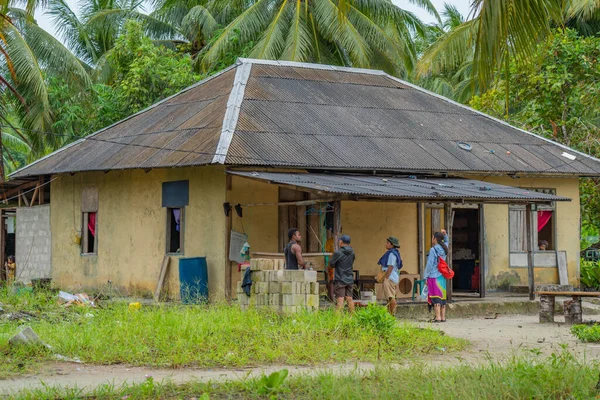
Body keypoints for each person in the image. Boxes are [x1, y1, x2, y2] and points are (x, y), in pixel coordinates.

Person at [424, 230, 449, 323]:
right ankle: (443, 317)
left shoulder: (433, 249)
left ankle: (437, 317)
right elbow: (447, 241)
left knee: (435, 297)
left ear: (435, 239)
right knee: (442, 297)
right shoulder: (444, 248)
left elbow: (429, 265)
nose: (432, 239)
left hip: (433, 276)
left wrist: (425, 276)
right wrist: (445, 235)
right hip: (442, 276)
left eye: (432, 237)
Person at [330, 235, 355, 312]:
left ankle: (337, 319)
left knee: (340, 299)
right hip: (350, 278)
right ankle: (352, 317)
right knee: (349, 298)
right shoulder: (352, 252)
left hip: (340, 278)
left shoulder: (338, 252)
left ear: (341, 242)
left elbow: (331, 264)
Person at [378, 236, 403, 315]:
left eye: (388, 243)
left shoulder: (392, 254)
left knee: (390, 297)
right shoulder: (393, 253)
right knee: (389, 297)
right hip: (392, 277)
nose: (386, 244)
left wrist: (386, 278)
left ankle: (392, 315)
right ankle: (390, 313)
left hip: (390, 278)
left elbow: (391, 266)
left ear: (392, 245)